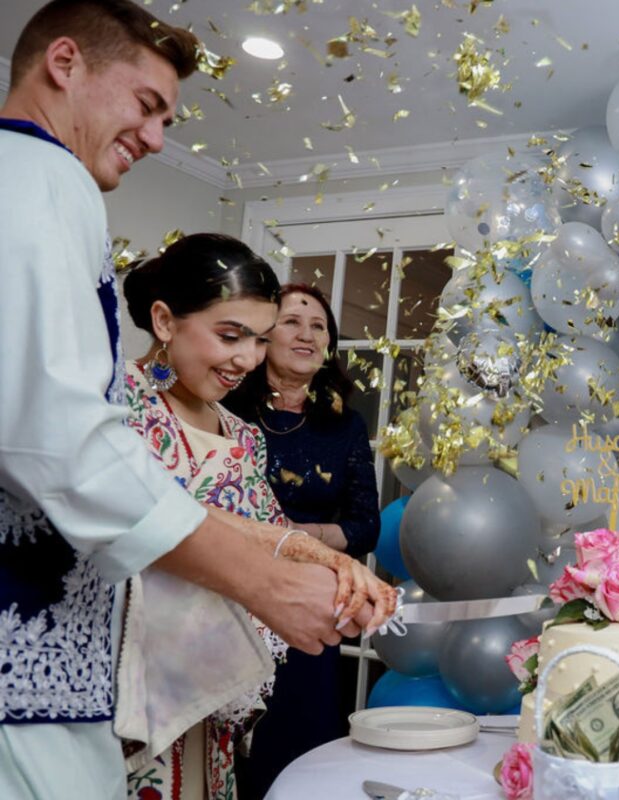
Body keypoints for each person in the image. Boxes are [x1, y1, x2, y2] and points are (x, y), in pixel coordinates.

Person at [0, 3, 376, 797]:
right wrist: (264, 582)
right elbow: (60, 445)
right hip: (33, 661)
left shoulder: (244, 435)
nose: (158, 138)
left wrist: (310, 561)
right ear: (64, 64)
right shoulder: (39, 176)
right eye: (145, 105)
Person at [118, 233, 395, 800]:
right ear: (165, 321)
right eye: (230, 335)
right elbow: (159, 514)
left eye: (258, 339)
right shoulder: (116, 401)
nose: (247, 358)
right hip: (119, 687)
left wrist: (339, 571)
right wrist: (316, 554)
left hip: (206, 691)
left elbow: (268, 532)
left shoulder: (242, 435)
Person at [225, 284, 382, 799]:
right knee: (233, 741)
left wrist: (302, 538)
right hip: (230, 595)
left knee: (302, 741)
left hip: (311, 604)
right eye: (292, 321)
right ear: (263, 336)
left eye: (319, 326)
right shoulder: (226, 410)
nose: (307, 334)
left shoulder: (344, 426)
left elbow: (365, 525)